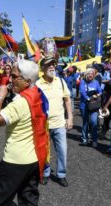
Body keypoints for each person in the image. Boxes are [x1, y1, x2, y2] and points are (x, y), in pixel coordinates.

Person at [0, 60, 49, 206]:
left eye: (14, 76)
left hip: (15, 162)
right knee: (28, 201)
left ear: (26, 81)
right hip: (34, 158)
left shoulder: (19, 103)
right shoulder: (38, 95)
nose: (10, 79)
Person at [36, 56, 73, 187]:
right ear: (42, 68)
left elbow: (67, 100)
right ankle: (45, 173)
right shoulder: (37, 84)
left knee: (62, 150)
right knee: (44, 151)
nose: (52, 66)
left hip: (59, 123)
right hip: (43, 125)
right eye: (48, 65)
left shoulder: (61, 81)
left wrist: (70, 118)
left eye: (53, 64)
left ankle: (61, 174)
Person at [79, 68, 102, 147]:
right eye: (88, 73)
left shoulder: (96, 82)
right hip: (84, 105)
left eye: (92, 73)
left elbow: (100, 91)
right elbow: (82, 92)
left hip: (93, 106)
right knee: (85, 123)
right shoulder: (83, 82)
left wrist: (97, 95)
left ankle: (94, 140)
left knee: (93, 122)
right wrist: (88, 98)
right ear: (86, 74)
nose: (90, 75)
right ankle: (85, 139)